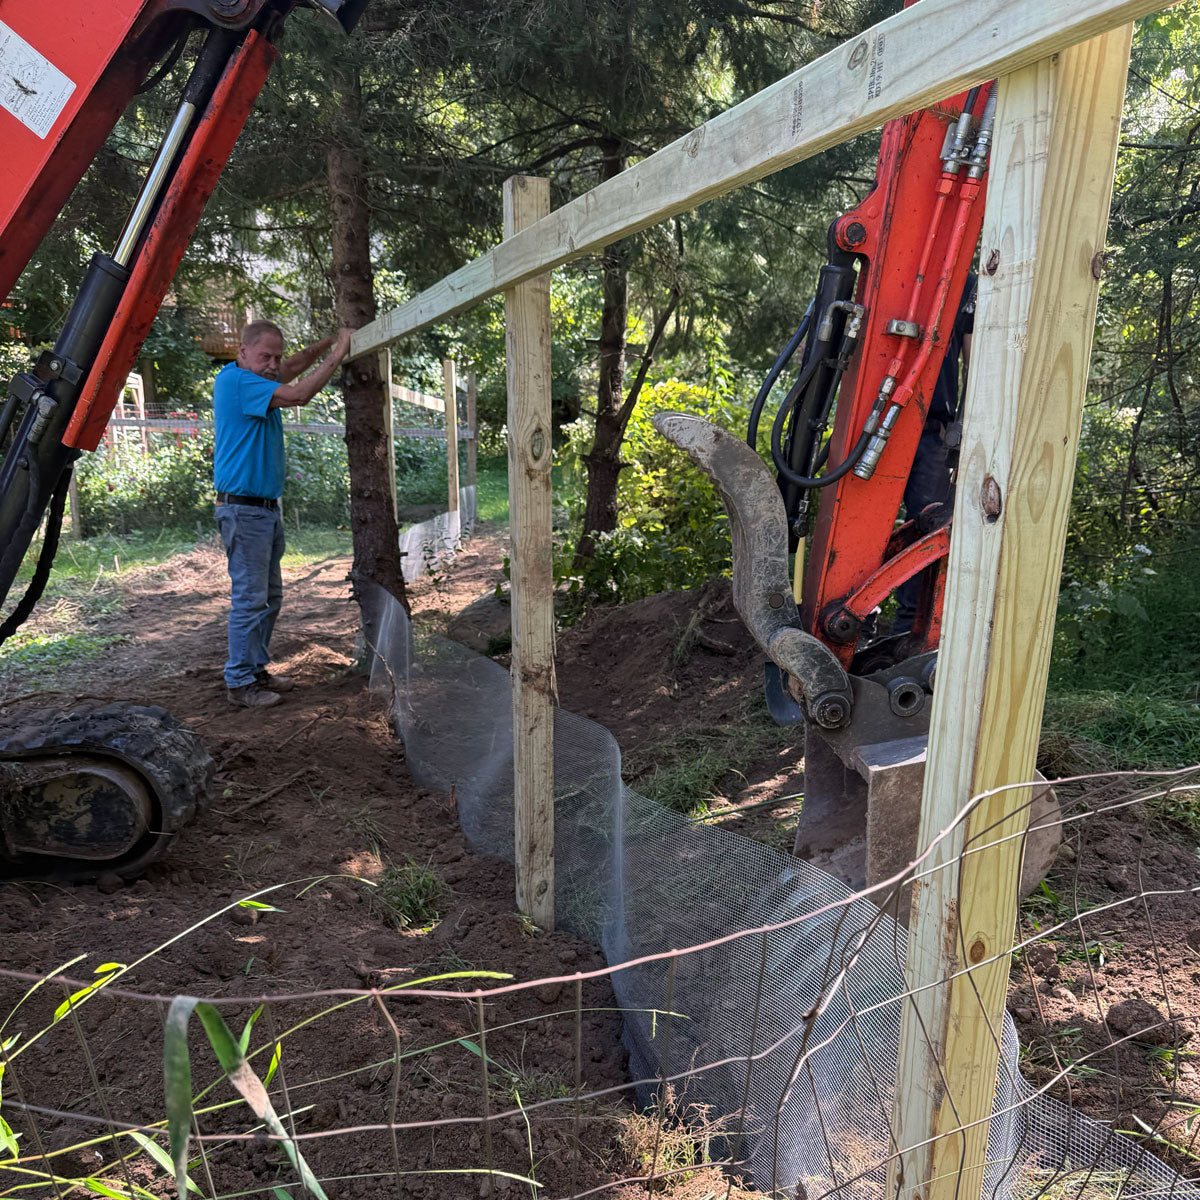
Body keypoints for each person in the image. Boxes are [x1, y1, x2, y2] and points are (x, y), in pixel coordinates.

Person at [213, 320, 353, 708]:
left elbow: (291, 368)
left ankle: (255, 671)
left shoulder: (251, 376)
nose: (273, 364)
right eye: (265, 356)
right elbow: (299, 393)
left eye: (277, 356)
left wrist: (325, 342)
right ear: (242, 352)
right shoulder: (238, 382)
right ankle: (240, 682)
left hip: (261, 511)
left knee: (268, 597)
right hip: (244, 512)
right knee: (250, 600)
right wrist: (338, 355)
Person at [893, 272, 976, 635]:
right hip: (876, 425)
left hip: (932, 430)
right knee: (864, 529)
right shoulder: (893, 262)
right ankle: (857, 620)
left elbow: (975, 358)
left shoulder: (968, 283)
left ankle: (907, 629)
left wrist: (967, 425)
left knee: (924, 527)